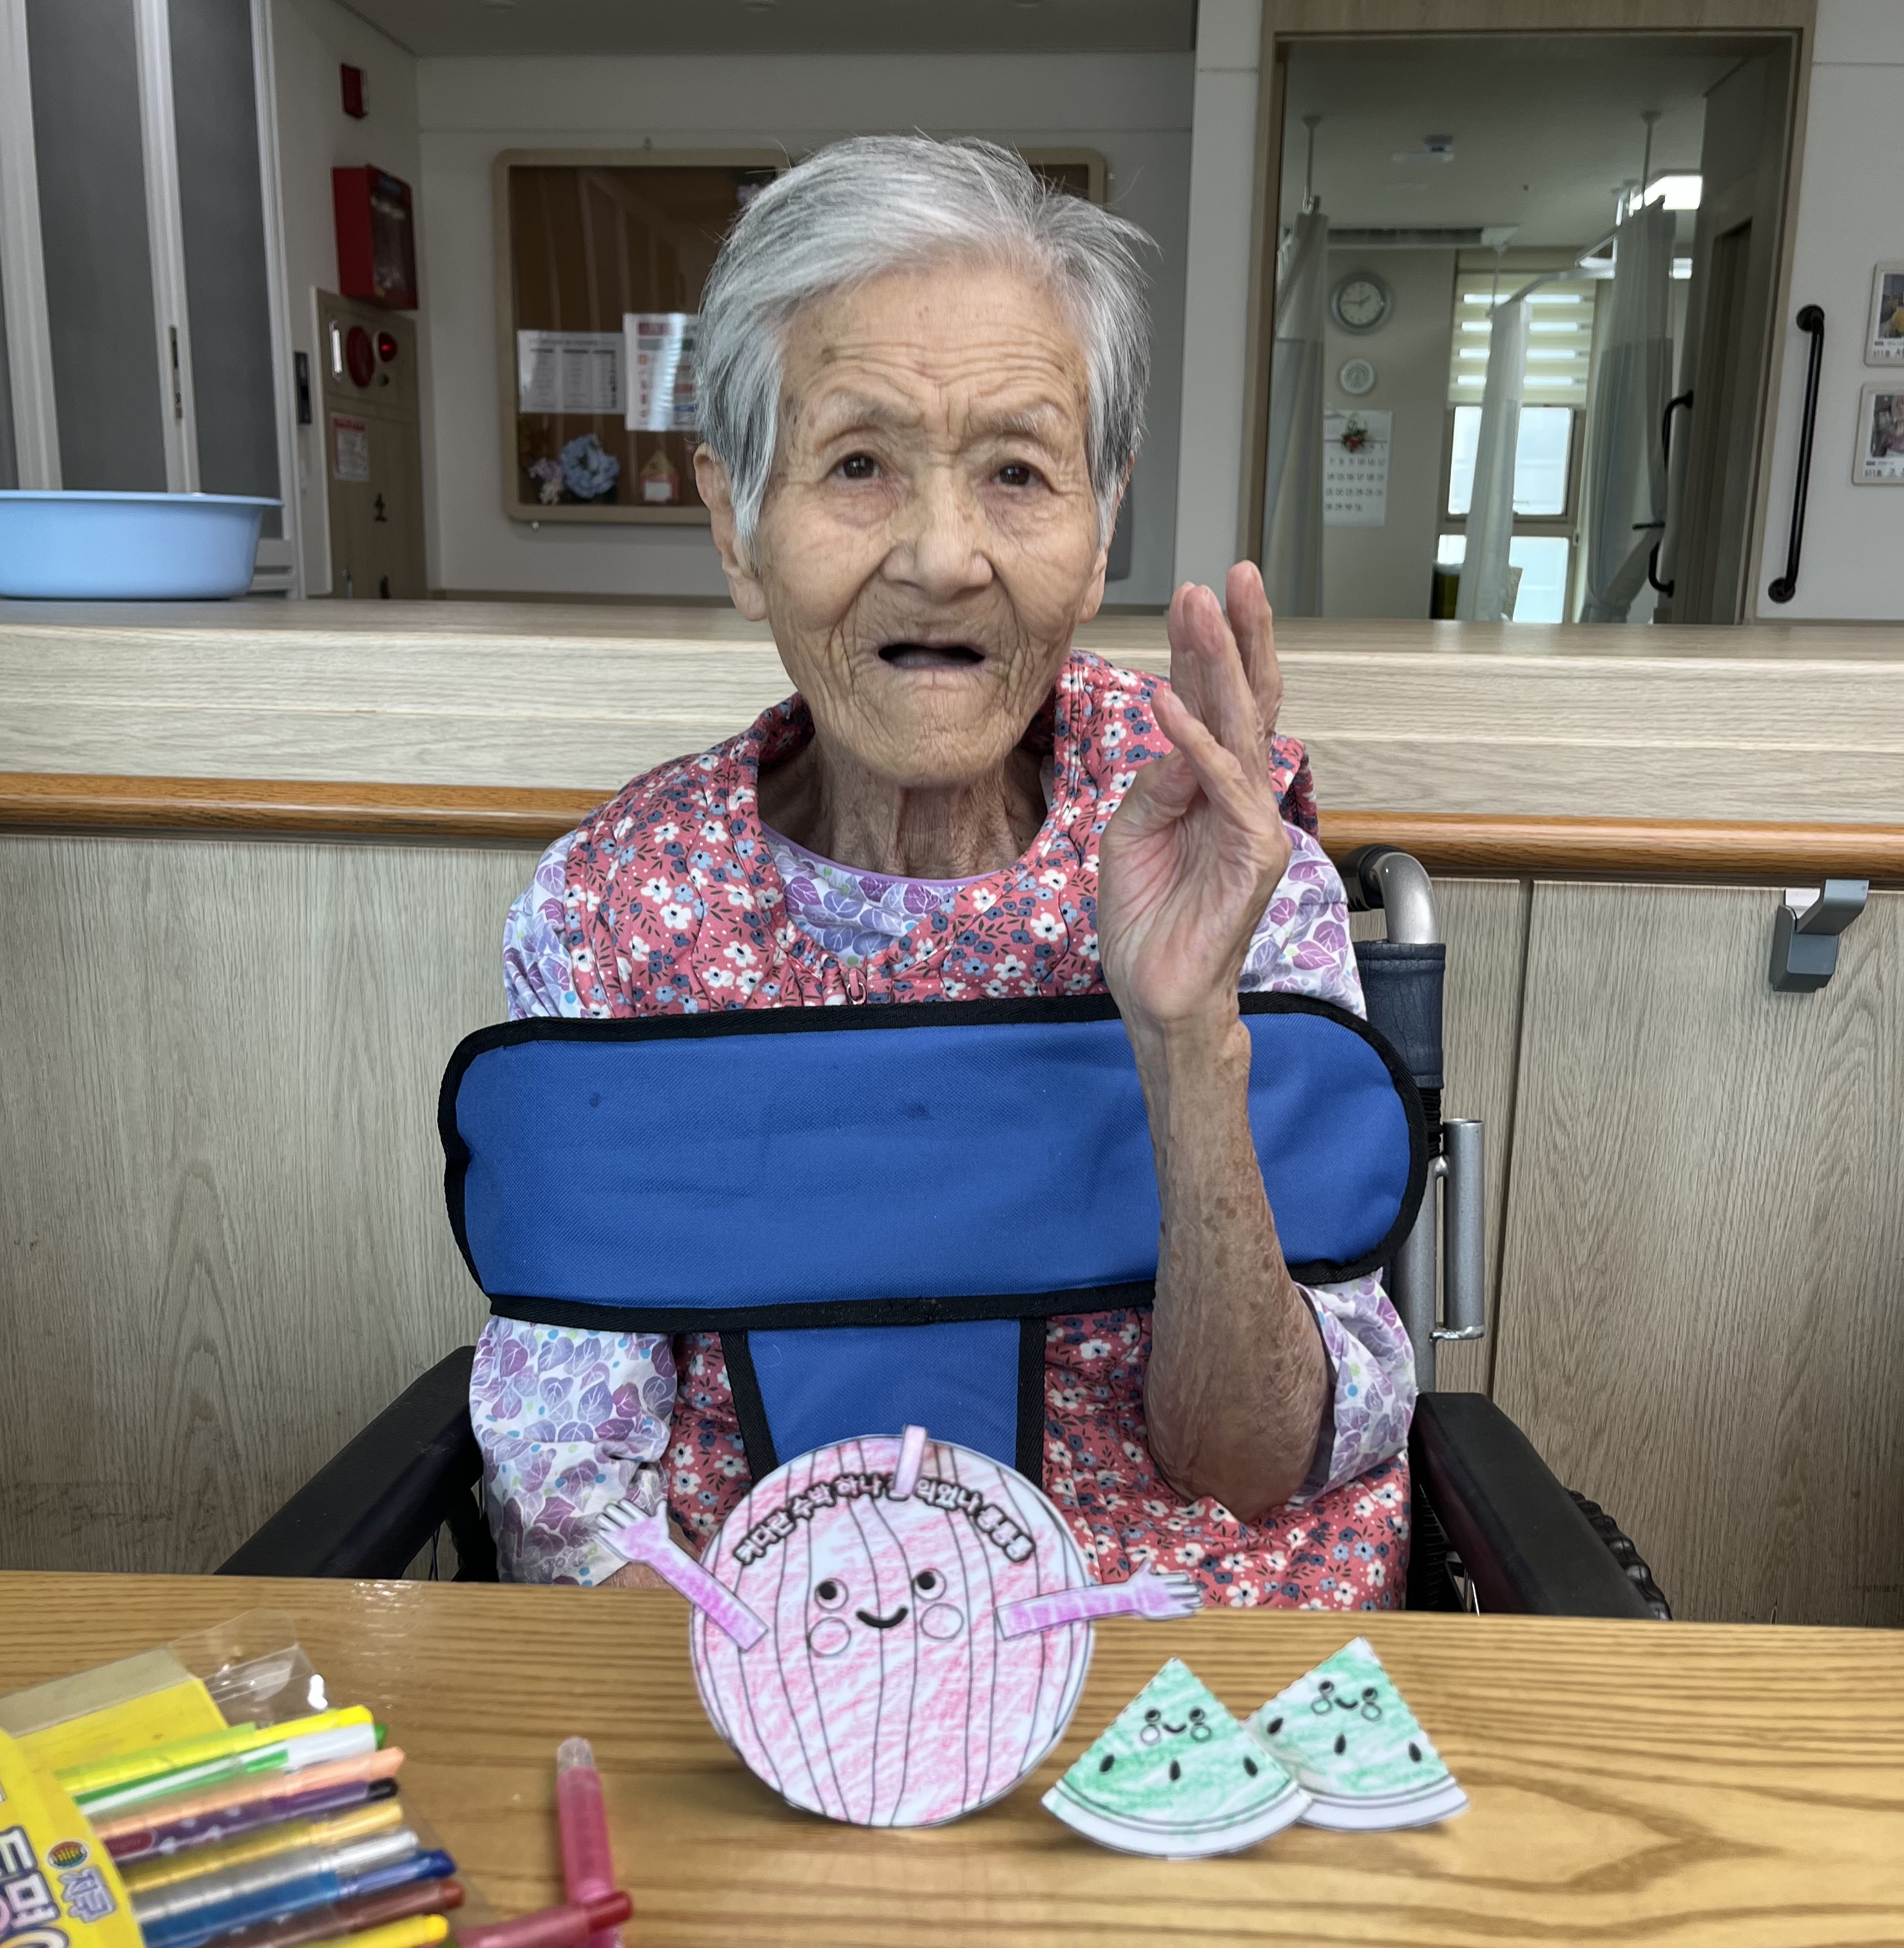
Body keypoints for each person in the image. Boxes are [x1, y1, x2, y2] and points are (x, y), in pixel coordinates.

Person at [477, 135, 1414, 1609]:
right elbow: (571, 1501)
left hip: (1179, 1674)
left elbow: (1250, 1465)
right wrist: (775, 1709)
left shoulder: (1220, 846)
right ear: (736, 522)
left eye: (1018, 472)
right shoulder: (610, 915)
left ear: (1100, 527)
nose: (943, 554)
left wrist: (1187, 1042)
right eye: (858, 465)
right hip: (764, 1669)